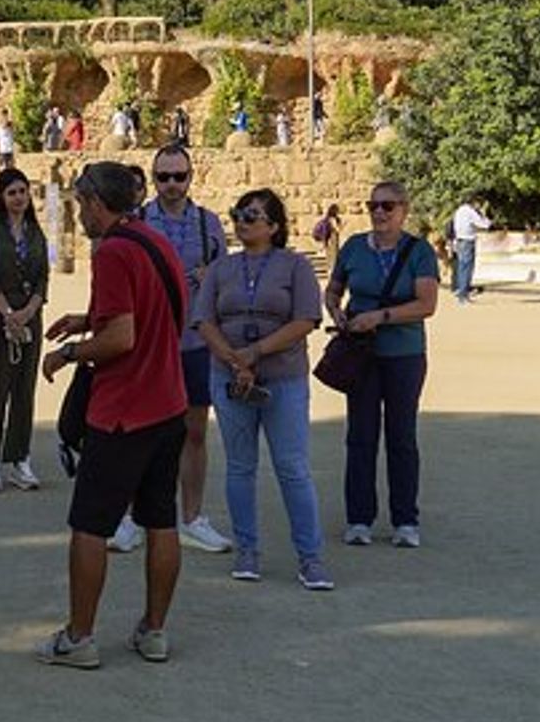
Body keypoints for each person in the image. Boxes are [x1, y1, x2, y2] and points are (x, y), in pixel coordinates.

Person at [35, 162, 188, 668]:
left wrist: (71, 352)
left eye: (81, 203)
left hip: (124, 411)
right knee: (161, 520)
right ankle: (154, 631)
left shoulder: (115, 253)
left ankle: (79, 638)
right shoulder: (155, 242)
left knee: (90, 525)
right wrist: (87, 318)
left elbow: (122, 338)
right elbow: (155, 313)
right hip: (168, 404)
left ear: (98, 203)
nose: (79, 213)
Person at [194, 189, 332, 590]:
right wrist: (236, 360)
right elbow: (203, 320)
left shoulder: (295, 266)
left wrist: (254, 353)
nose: (242, 221)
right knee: (240, 467)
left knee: (292, 467)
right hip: (230, 375)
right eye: (238, 214)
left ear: (273, 226)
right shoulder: (222, 269)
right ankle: (247, 550)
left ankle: (311, 557)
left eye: (251, 216)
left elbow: (306, 318)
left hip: (282, 375)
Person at [325, 181, 441, 548]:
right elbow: (333, 289)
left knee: (401, 436)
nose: (379, 212)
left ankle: (405, 519)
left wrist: (381, 317)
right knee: (360, 435)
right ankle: (359, 518)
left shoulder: (419, 251)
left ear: (404, 210)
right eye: (373, 205)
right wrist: (336, 311)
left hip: (403, 353)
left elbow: (426, 304)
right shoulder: (354, 248)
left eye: (387, 206)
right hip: (362, 353)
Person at [136, 146, 232, 556]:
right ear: (153, 178)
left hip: (194, 341)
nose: (172, 185)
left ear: (192, 177)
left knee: (193, 432)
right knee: (140, 432)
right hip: (148, 342)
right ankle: (134, 517)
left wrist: (213, 276)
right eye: (164, 177)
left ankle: (191, 516)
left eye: (179, 177)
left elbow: (227, 279)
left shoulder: (208, 224)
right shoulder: (138, 222)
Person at [0, 168, 49, 493]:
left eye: (23, 192)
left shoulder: (35, 233)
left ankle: (20, 458)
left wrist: (28, 311)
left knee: (23, 388)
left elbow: (43, 275)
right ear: (2, 196)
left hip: (28, 314)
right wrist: (7, 312)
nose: (18, 198)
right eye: (12, 192)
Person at [448, 196, 491, 304]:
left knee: (462, 267)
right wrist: (483, 215)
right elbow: (484, 224)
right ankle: (463, 294)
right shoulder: (471, 212)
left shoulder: (459, 210)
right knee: (467, 268)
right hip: (467, 241)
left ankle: (460, 290)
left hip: (459, 240)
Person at [311, 204, 344, 271]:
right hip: (331, 240)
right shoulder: (332, 220)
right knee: (332, 257)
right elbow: (336, 229)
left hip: (331, 240)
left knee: (331, 257)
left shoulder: (331, 219)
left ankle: (331, 270)